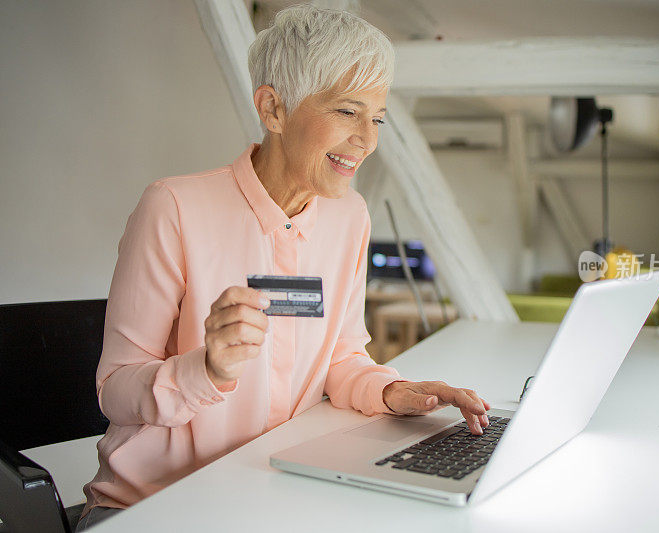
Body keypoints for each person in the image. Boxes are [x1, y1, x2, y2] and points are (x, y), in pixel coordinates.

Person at [77, 4, 490, 530]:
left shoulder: (349, 216)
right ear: (273, 109)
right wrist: (206, 370)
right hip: (153, 505)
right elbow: (114, 388)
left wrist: (393, 391)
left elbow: (342, 356)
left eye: (377, 117)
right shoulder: (174, 208)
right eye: (347, 111)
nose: (368, 140)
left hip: (274, 492)